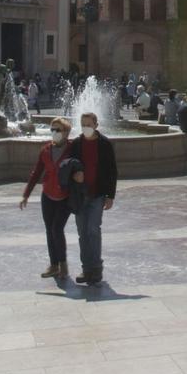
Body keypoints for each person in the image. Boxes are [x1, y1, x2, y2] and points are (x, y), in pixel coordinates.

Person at [62, 111, 118, 288]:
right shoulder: (76, 144)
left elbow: (112, 171)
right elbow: (68, 166)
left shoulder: (105, 144)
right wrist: (74, 175)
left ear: (96, 125)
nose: (85, 127)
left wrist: (110, 196)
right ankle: (86, 269)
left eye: (88, 124)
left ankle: (96, 268)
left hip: (98, 194)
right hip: (80, 195)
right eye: (83, 124)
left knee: (93, 229)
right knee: (82, 232)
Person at [20, 118, 75, 283]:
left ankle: (63, 264)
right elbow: (36, 173)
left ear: (66, 132)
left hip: (65, 196)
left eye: (58, 130)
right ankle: (54, 265)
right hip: (48, 196)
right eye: (53, 129)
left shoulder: (73, 149)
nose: (54, 133)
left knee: (57, 229)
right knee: (49, 230)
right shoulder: (45, 150)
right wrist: (26, 194)